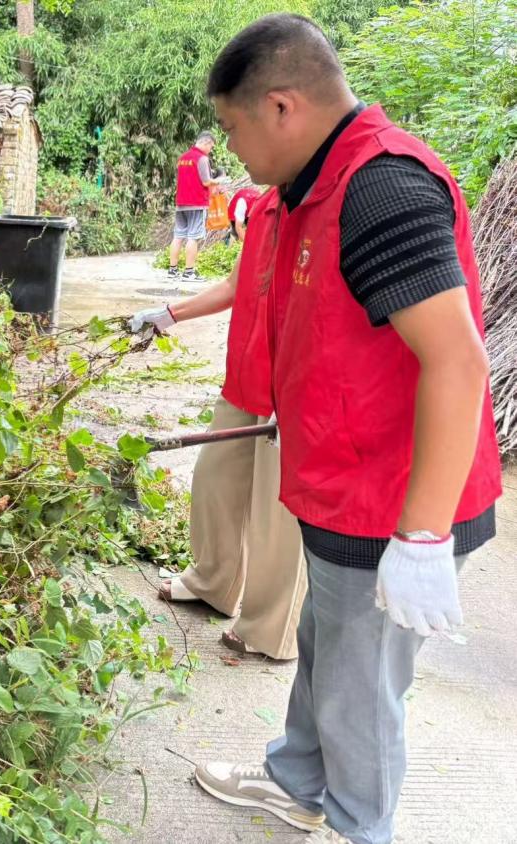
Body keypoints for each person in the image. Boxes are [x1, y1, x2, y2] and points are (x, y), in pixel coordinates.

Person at [192, 15, 502, 844]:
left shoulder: (379, 188)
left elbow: (457, 363)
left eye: (234, 128)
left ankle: (361, 827)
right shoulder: (311, 187)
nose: (234, 153)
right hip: (340, 484)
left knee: (360, 690)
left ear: (282, 107)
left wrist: (423, 537)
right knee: (324, 643)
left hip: (390, 506)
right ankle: (297, 779)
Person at [130, 188, 305, 660]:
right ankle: (214, 582)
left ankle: (272, 630)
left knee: (278, 514)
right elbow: (236, 285)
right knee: (214, 480)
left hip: (294, 389)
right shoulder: (268, 204)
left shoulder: (327, 207)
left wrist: (310, 392)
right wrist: (168, 314)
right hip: (247, 376)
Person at [168, 131, 220, 280]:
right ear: (206, 142)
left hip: (181, 203)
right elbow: (206, 182)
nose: (211, 150)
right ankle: (189, 272)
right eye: (211, 146)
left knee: (178, 236)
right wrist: (220, 180)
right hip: (196, 203)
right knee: (193, 237)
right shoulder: (202, 159)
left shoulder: (182, 158)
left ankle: (172, 270)